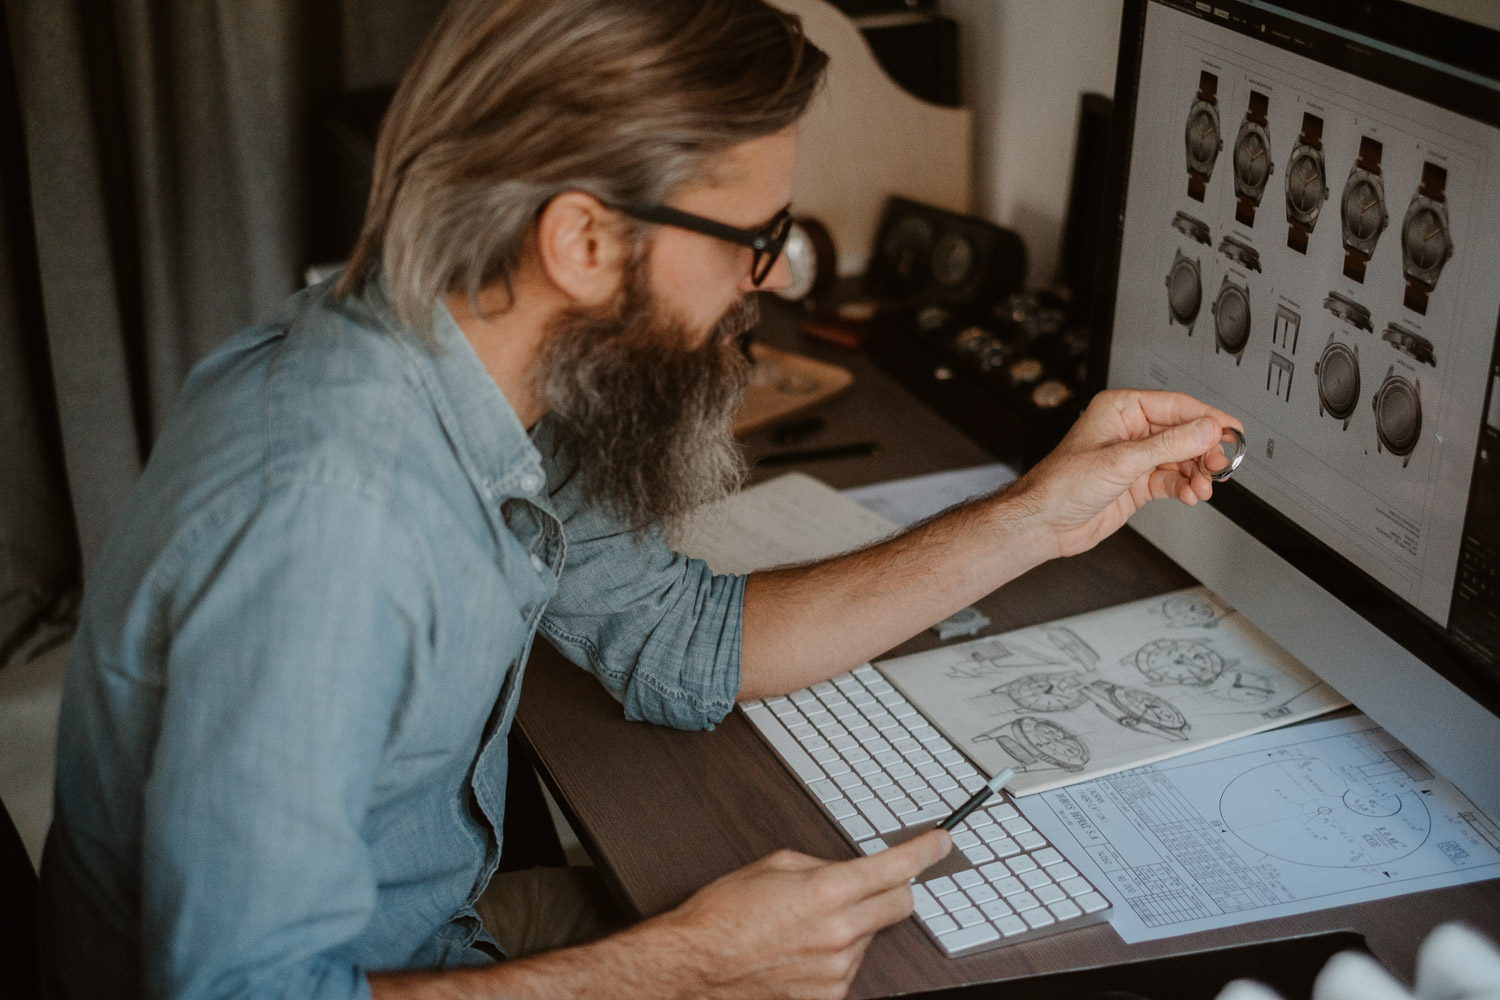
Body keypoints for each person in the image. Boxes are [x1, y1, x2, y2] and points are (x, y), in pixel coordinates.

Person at [39, 1, 1242, 998]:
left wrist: (1038, 512)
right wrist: (687, 962)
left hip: (416, 935)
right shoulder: (332, 524)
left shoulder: (470, 366)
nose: (761, 285)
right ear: (583, 241)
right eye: (751, 238)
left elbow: (684, 639)